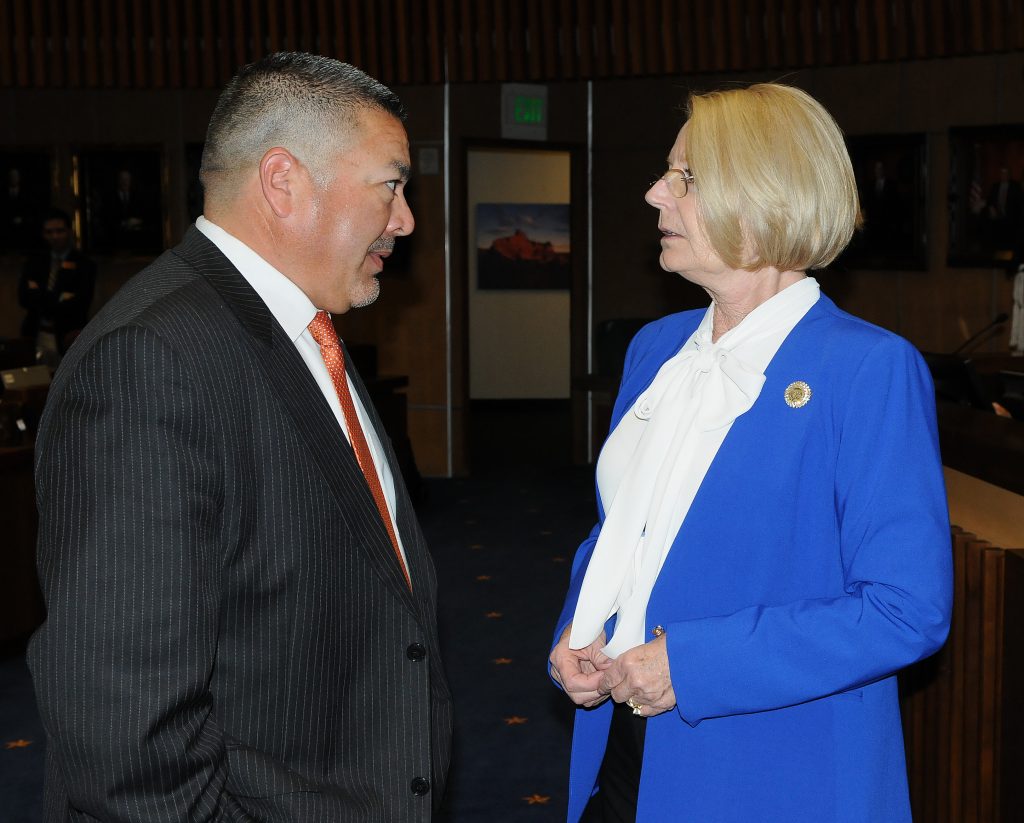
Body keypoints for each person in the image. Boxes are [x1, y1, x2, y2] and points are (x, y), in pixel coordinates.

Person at [28, 52, 452, 821]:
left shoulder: (301, 324)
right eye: (391, 185)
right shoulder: (150, 359)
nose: (405, 220)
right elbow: (126, 733)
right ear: (284, 181)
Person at [549, 83, 951, 822]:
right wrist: (580, 625)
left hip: (771, 767)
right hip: (623, 750)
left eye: (684, 178)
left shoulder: (866, 370)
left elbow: (906, 609)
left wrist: (692, 662)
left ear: (764, 194)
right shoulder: (655, 349)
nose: (652, 196)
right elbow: (626, 531)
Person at [17, 207, 96, 365]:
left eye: (59, 231)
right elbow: (24, 298)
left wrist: (40, 294)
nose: (54, 236)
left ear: (69, 231)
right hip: (36, 335)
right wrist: (58, 297)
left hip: (69, 338)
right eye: (49, 232)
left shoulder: (84, 264)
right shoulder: (34, 263)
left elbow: (80, 303)